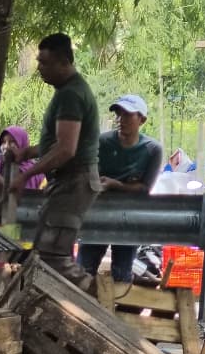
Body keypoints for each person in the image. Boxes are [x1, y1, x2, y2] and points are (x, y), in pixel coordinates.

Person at [17, 34, 100, 260]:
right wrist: (28, 152)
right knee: (47, 253)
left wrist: (26, 175)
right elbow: (59, 143)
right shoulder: (67, 92)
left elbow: (65, 149)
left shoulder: (71, 95)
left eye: (45, 63)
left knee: (53, 257)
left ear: (64, 62)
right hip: (69, 182)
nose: (39, 68)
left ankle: (86, 285)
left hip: (74, 182)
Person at [92, 94, 166, 276]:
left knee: (122, 273)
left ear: (142, 119)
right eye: (118, 114)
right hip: (99, 215)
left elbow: (145, 188)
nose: (120, 119)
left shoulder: (152, 149)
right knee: (84, 268)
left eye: (127, 115)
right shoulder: (102, 142)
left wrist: (115, 184)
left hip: (129, 219)